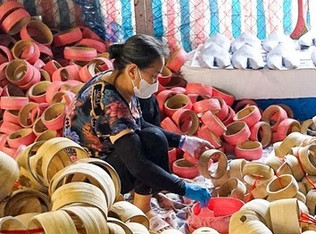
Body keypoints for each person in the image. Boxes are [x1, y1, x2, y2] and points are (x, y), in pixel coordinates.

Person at [64, 34, 212, 213]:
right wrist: (184, 188)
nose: (156, 83)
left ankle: (146, 195)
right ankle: (142, 209)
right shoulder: (110, 102)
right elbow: (138, 166)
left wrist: (183, 141)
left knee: (152, 123)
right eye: (154, 76)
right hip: (91, 177)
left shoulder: (115, 79)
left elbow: (138, 122)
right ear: (133, 70)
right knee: (151, 143)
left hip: (104, 155)